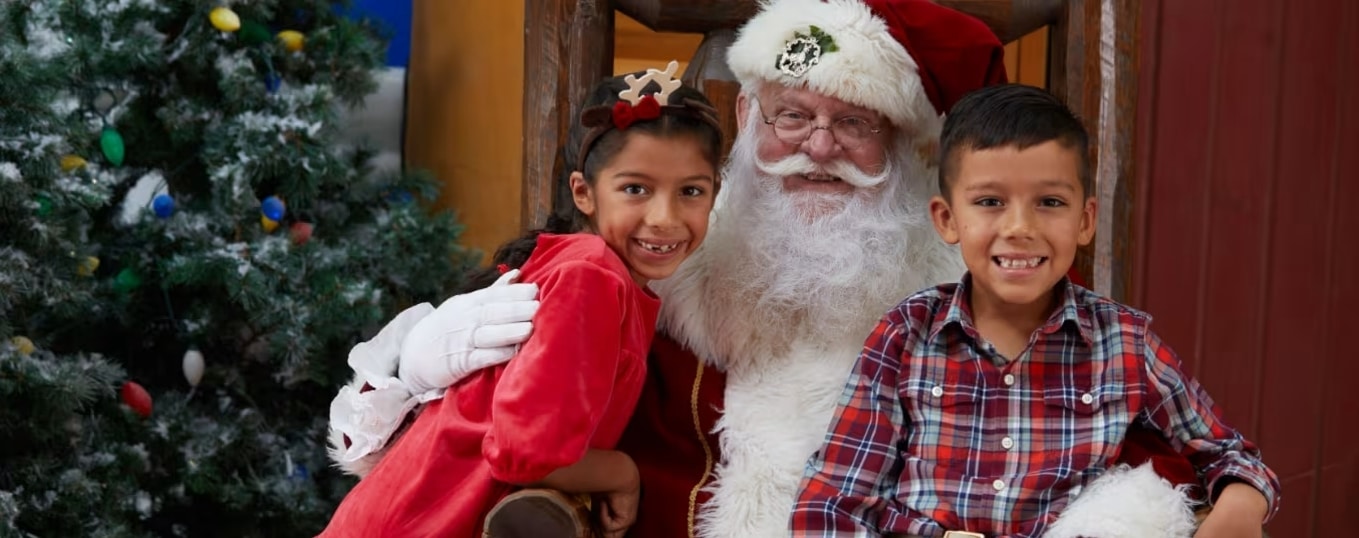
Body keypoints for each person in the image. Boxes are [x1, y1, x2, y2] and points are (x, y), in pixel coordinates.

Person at [331, 1, 1209, 536]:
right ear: (747, 117)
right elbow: (462, 429)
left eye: (856, 122)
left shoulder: (976, 295)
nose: (817, 147)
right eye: (791, 116)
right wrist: (411, 366)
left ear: (909, 145)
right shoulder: (649, 256)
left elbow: (1145, 449)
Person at [789, 84, 1281, 537]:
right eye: (990, 201)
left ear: (1085, 220)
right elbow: (833, 503)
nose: (1020, 226)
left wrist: (1238, 505)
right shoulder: (906, 336)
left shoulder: (1125, 342)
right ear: (947, 218)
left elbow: (1230, 455)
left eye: (1049, 201)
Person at [320, 64, 724, 538]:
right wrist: (623, 474)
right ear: (584, 193)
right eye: (635, 189)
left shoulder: (595, 273)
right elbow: (525, 454)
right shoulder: (590, 275)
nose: (664, 217)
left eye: (691, 191)